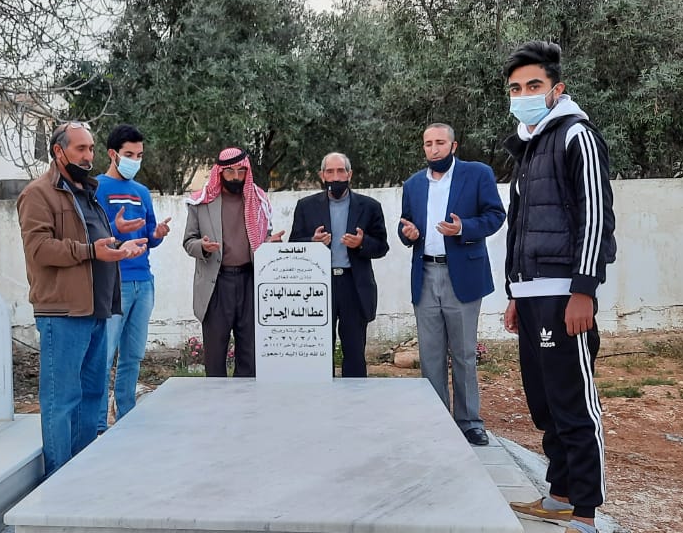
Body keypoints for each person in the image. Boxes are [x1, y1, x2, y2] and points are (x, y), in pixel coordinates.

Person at [500, 41, 616, 533]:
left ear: (556, 89)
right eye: (515, 89)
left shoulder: (576, 136)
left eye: (534, 86)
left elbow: (596, 216)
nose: (523, 95)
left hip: (564, 292)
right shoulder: (527, 147)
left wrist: (583, 289)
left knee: (573, 402)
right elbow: (519, 226)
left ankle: (585, 512)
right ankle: (560, 494)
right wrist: (513, 292)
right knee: (545, 402)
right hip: (530, 295)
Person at [16, 121, 146, 477]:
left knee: (91, 396)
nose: (89, 156)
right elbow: (40, 249)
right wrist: (91, 251)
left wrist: (120, 246)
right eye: (81, 149)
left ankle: (82, 476)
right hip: (63, 312)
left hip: (97, 309)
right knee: (62, 400)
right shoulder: (38, 194)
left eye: (91, 148)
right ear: (59, 151)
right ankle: (58, 479)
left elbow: (95, 241)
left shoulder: (87, 191)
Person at [398, 124, 506, 446]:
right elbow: (406, 226)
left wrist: (462, 228)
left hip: (463, 274)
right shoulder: (413, 184)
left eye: (440, 143)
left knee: (463, 353)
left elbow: (495, 215)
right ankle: (436, 420)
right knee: (430, 355)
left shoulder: (477, 174)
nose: (434, 149)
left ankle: (470, 422)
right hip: (425, 274)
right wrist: (408, 234)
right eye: (428, 144)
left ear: (454, 145)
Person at [94, 124, 171, 431]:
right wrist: (116, 230)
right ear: (112, 154)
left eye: (139, 155)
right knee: (104, 356)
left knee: (133, 356)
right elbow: (92, 236)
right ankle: (98, 424)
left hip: (144, 283)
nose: (135, 161)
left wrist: (157, 234)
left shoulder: (141, 192)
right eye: (129, 155)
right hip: (114, 283)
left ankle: (125, 417)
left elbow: (149, 237)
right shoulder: (96, 188)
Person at [182, 147, 284, 377]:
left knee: (250, 353)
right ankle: (216, 399)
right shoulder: (201, 202)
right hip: (216, 284)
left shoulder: (258, 200)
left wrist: (270, 243)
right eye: (230, 171)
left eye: (241, 171)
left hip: (250, 281)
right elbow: (188, 241)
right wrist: (203, 247)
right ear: (220, 172)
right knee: (215, 354)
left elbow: (263, 238)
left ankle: (246, 400)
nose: (236, 177)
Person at [288, 152, 389, 378]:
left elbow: (382, 246)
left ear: (349, 174)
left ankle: (355, 398)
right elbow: (294, 244)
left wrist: (362, 243)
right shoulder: (306, 206)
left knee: (354, 351)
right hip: (318, 287)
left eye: (341, 171)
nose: (336, 177)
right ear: (322, 175)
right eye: (330, 172)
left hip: (354, 285)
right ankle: (322, 397)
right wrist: (312, 242)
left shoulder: (369, 206)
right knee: (319, 351)